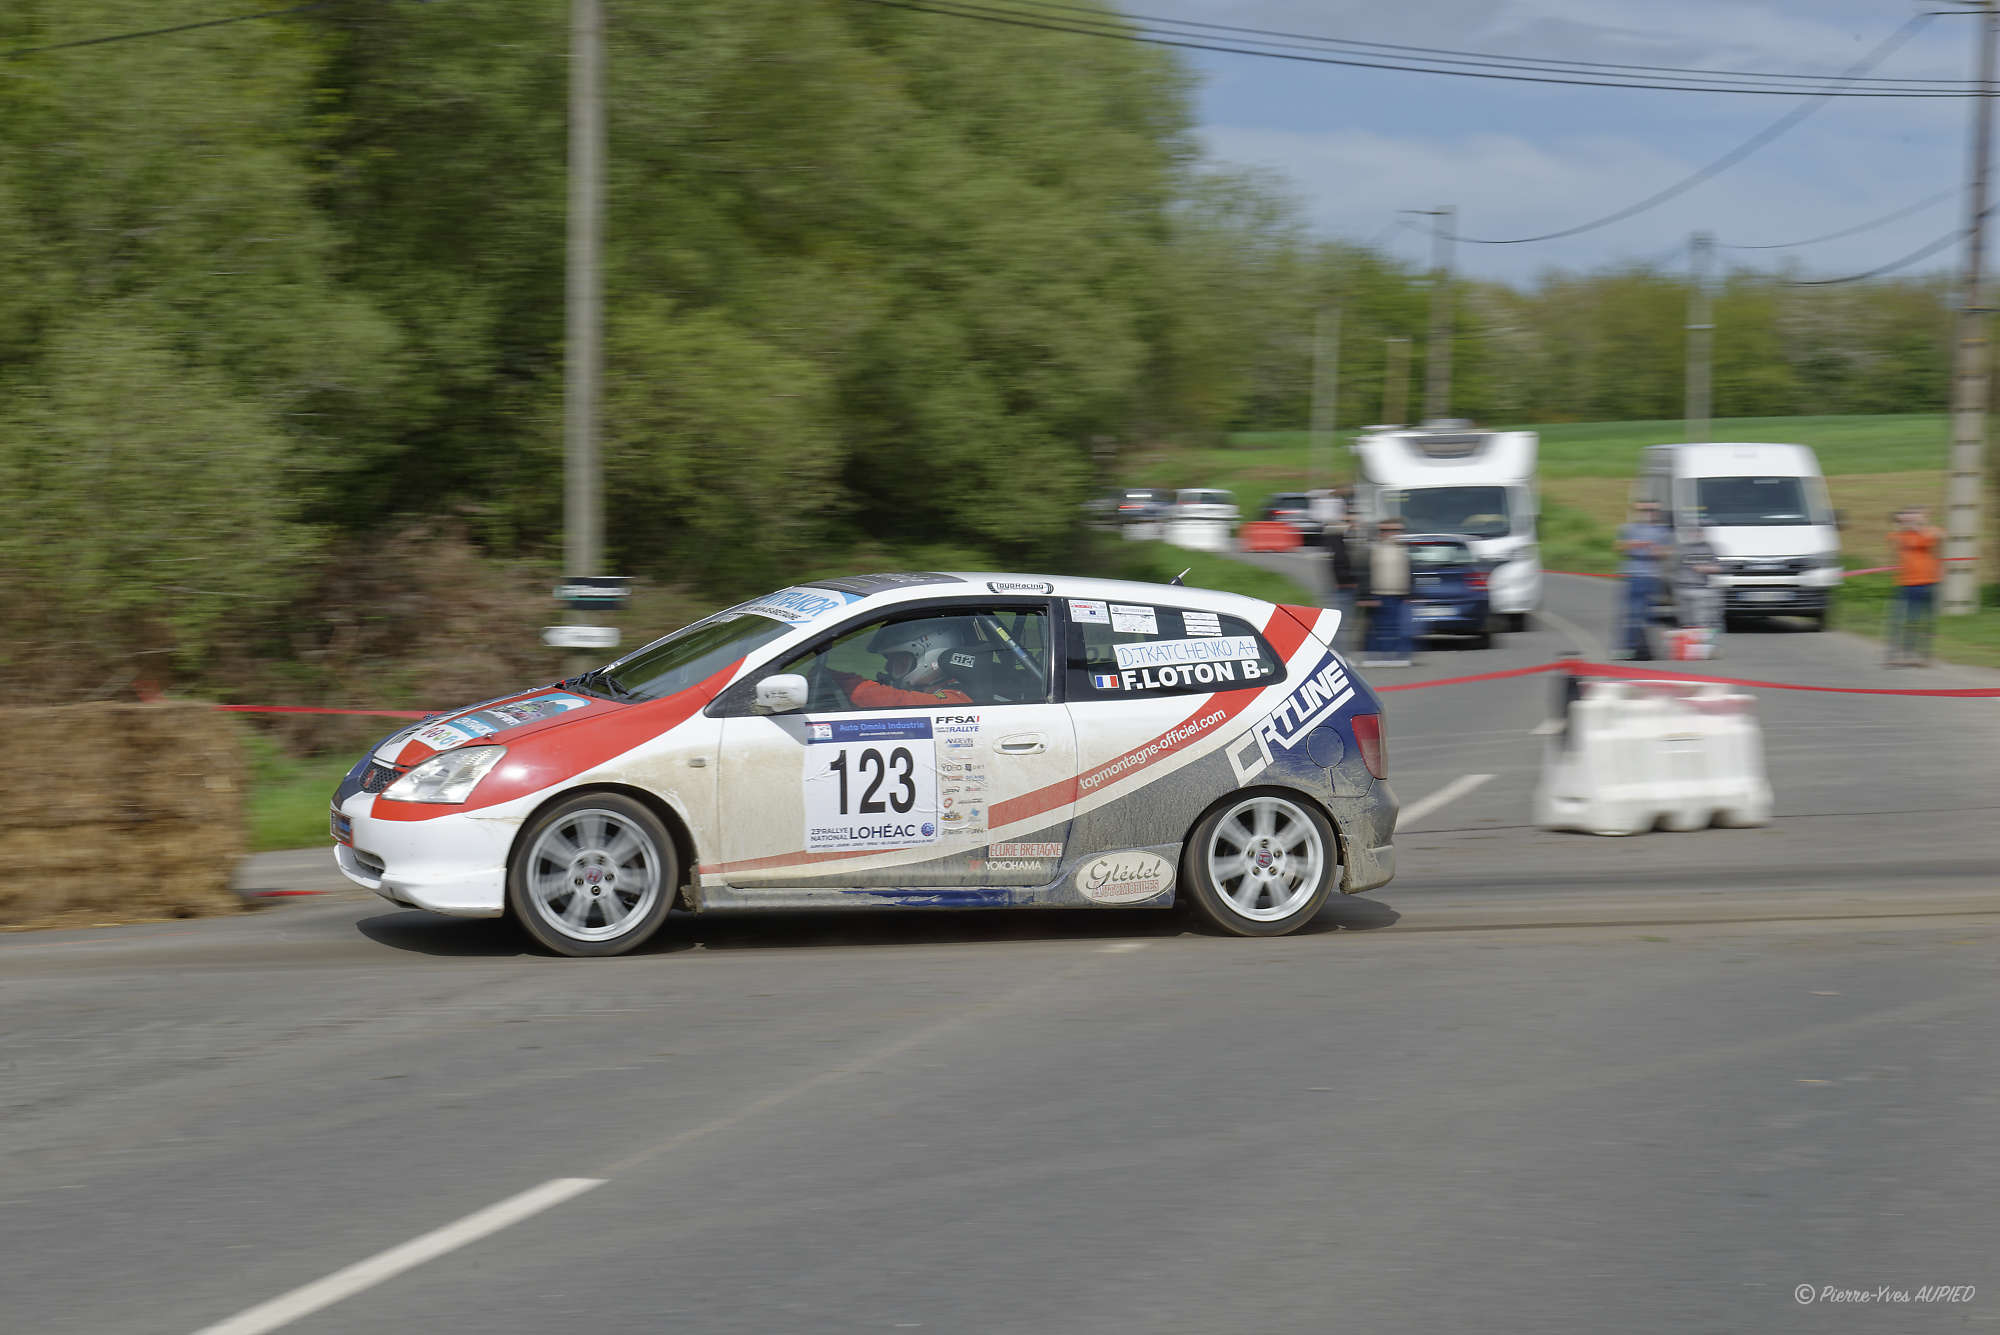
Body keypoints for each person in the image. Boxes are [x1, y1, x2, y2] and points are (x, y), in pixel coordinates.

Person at [831, 620, 976, 708]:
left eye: (899, 661)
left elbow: (897, 701)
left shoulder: (957, 699)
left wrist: (850, 684)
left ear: (930, 656)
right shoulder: (922, 689)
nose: (887, 667)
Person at [1885, 506, 1943, 667]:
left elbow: (1937, 537)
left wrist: (1921, 526)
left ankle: (1924, 656)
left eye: (1914, 516)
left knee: (1925, 621)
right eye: (1908, 517)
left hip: (1928, 582)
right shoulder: (1900, 535)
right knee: (1900, 620)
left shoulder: (1930, 531)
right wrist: (1902, 524)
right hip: (1905, 584)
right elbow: (1892, 542)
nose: (1910, 520)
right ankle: (1897, 655)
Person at [1616, 499, 1671, 660]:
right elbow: (1618, 547)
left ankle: (1646, 649)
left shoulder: (1662, 531)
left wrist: (1654, 549)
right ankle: (1629, 648)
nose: (1648, 514)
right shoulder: (1628, 528)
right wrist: (1633, 545)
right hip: (1633, 575)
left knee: (1648, 615)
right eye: (1644, 510)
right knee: (1632, 614)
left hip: (1651, 577)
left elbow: (1667, 553)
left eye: (1652, 510)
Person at [1362, 517, 1412, 667]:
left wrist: (1411, 594)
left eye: (1395, 530)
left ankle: (1396, 656)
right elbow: (1365, 573)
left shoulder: (1404, 549)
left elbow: (1411, 571)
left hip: (1400, 594)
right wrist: (1366, 595)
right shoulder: (1374, 549)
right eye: (1385, 530)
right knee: (1379, 627)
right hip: (1378, 594)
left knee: (1398, 627)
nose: (1390, 533)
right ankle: (1375, 656)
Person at [1320, 516, 1359, 648]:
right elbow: (1339, 563)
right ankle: (1339, 651)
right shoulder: (1337, 541)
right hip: (1343, 587)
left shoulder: (1337, 541)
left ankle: (1338, 649)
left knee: (1341, 624)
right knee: (1341, 624)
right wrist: (1348, 580)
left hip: (1341, 586)